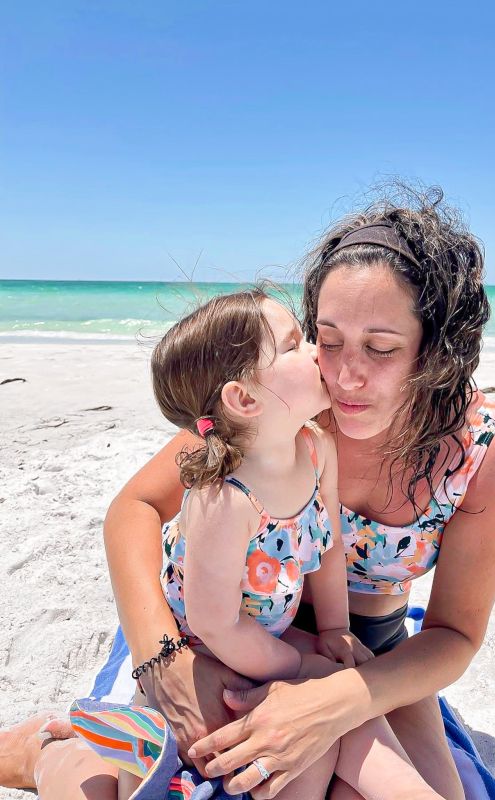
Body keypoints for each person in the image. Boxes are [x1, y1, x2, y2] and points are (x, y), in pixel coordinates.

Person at [0, 184, 495, 800]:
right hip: (220, 624)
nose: (345, 375)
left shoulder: (483, 449)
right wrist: (163, 659)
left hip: (366, 650)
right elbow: (134, 508)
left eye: (382, 348)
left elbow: (455, 636)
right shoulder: (279, 419)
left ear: (437, 351)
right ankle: (46, 751)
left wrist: (326, 701)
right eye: (325, 340)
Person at [74, 289, 439, 800]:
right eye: (294, 344)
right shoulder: (224, 499)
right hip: (204, 651)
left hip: (270, 636)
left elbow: (328, 545)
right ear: (244, 399)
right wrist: (300, 665)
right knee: (272, 755)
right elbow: (213, 622)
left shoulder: (315, 447)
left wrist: (333, 629)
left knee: (344, 728)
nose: (317, 349)